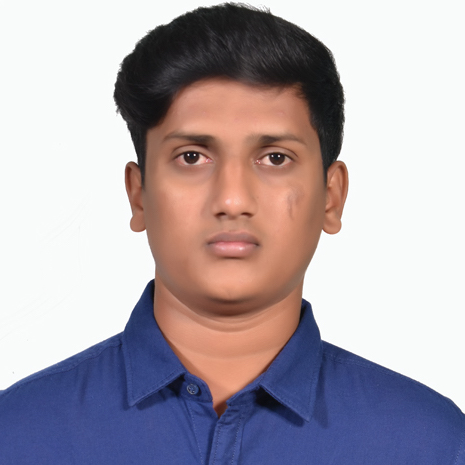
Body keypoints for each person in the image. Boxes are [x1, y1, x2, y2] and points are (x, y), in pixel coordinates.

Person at [0, 3, 463, 464]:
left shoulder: (432, 444)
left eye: (275, 158)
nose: (232, 199)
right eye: (192, 157)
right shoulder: (17, 433)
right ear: (139, 195)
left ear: (331, 197)